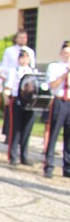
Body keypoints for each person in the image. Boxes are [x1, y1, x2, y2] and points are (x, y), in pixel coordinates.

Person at [3, 49, 38, 166]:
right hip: (17, 98)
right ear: (18, 59)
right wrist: (6, 96)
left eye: (27, 58)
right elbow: (9, 85)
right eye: (22, 58)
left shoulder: (32, 71)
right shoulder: (14, 70)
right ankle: (13, 156)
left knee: (27, 129)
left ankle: (24, 156)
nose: (24, 60)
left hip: (30, 101)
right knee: (15, 129)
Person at [42, 44, 70, 179]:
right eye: (65, 53)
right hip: (59, 101)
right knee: (53, 134)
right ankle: (49, 165)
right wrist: (65, 74)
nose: (67, 55)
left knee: (69, 137)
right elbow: (52, 85)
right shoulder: (55, 67)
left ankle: (68, 167)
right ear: (61, 53)